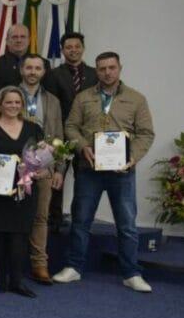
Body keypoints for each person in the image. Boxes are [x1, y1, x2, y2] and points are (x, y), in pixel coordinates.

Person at [54, 52, 156, 293]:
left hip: (122, 172)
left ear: (120, 68)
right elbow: (70, 126)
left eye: (112, 67)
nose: (107, 72)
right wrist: (82, 147)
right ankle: (74, 267)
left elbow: (146, 133)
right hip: (89, 169)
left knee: (127, 225)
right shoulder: (83, 97)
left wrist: (133, 158)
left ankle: (131, 273)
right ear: (96, 71)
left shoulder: (136, 99)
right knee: (81, 221)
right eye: (102, 69)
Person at [0, 86, 44, 298]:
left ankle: (17, 281)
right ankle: (1, 278)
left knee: (19, 236)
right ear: (0, 104)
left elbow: (41, 159)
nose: (13, 106)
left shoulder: (33, 129)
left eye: (17, 102)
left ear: (22, 105)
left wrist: (39, 171)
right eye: (8, 102)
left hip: (23, 190)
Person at [43, 32, 98, 229]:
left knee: (85, 181)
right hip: (61, 135)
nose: (73, 50)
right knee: (57, 178)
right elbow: (51, 106)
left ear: (83, 48)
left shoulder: (95, 74)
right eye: (68, 47)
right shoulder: (52, 75)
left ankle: (81, 220)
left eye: (77, 46)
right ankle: (55, 218)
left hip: (87, 138)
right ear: (63, 50)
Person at [19, 54, 65, 284]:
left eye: (37, 68)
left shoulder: (53, 101)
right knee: (12, 216)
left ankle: (39, 263)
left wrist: (59, 169)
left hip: (45, 169)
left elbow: (59, 138)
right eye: (28, 67)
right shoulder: (9, 96)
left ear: (44, 72)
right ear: (21, 70)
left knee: (40, 217)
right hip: (16, 169)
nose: (33, 72)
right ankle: (6, 262)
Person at [0, 24, 49, 108]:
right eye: (14, 37)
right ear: (7, 41)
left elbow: (48, 95)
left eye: (23, 37)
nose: (19, 40)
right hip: (6, 115)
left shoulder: (43, 63)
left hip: (37, 115)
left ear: (29, 40)